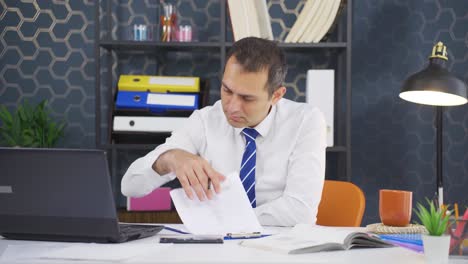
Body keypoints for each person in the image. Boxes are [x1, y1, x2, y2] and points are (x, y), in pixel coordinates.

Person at [121, 37, 326, 226]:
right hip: (219, 248)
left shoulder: (305, 121)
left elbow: (301, 211)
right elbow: (130, 187)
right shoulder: (205, 120)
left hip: (282, 248)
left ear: (276, 95)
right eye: (227, 90)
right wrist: (169, 159)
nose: (232, 107)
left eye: (247, 98)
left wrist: (231, 221)